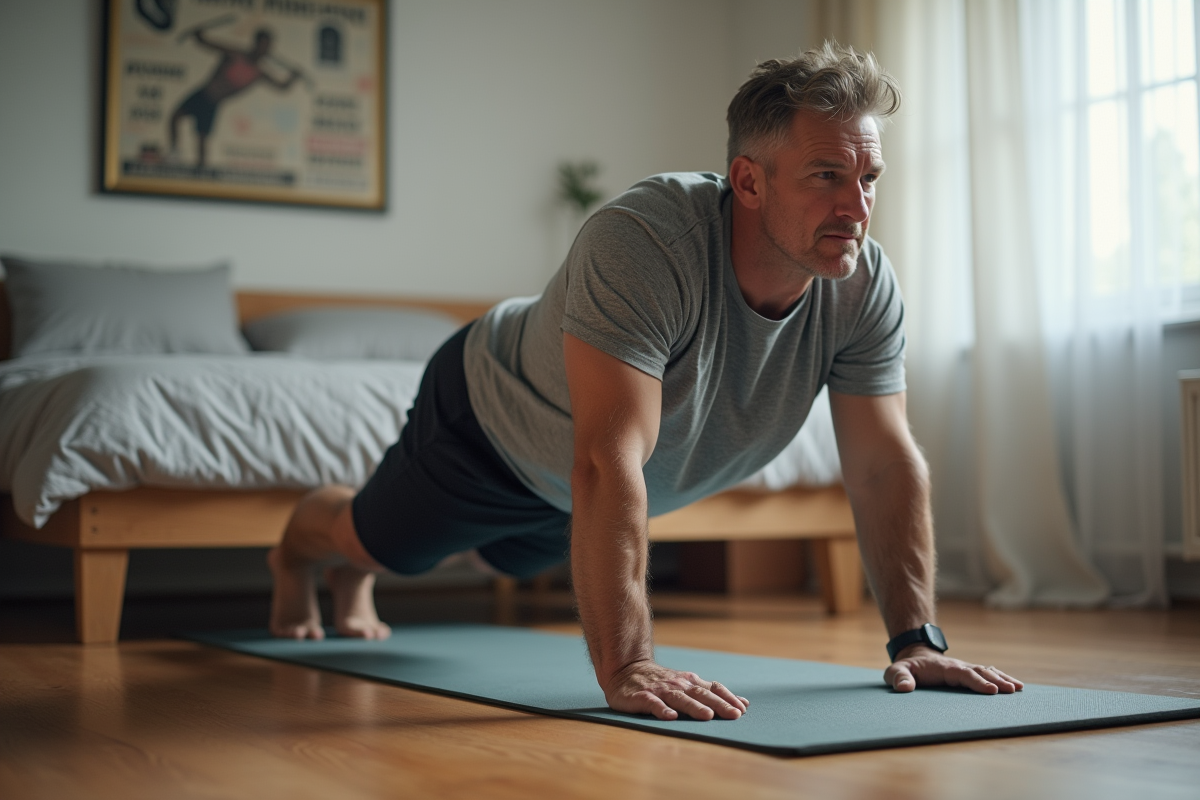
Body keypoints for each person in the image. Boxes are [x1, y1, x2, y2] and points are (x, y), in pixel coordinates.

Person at [268, 42, 1024, 722]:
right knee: (378, 545)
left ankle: (359, 574)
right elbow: (606, 458)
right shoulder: (647, 241)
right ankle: (302, 556)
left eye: (868, 178)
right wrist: (628, 664)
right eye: (827, 176)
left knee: (506, 559)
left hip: (570, 489)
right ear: (748, 181)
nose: (856, 209)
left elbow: (883, 462)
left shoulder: (864, 285)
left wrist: (916, 640)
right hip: (491, 420)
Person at [169, 28, 301, 168]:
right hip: (203, 94)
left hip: (213, 103)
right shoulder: (236, 55)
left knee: (202, 139)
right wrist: (200, 37)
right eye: (262, 44)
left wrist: (293, 78)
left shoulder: (259, 73)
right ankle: (174, 153)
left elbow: (282, 87)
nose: (263, 49)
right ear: (255, 43)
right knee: (175, 117)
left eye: (267, 46)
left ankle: (200, 172)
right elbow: (211, 45)